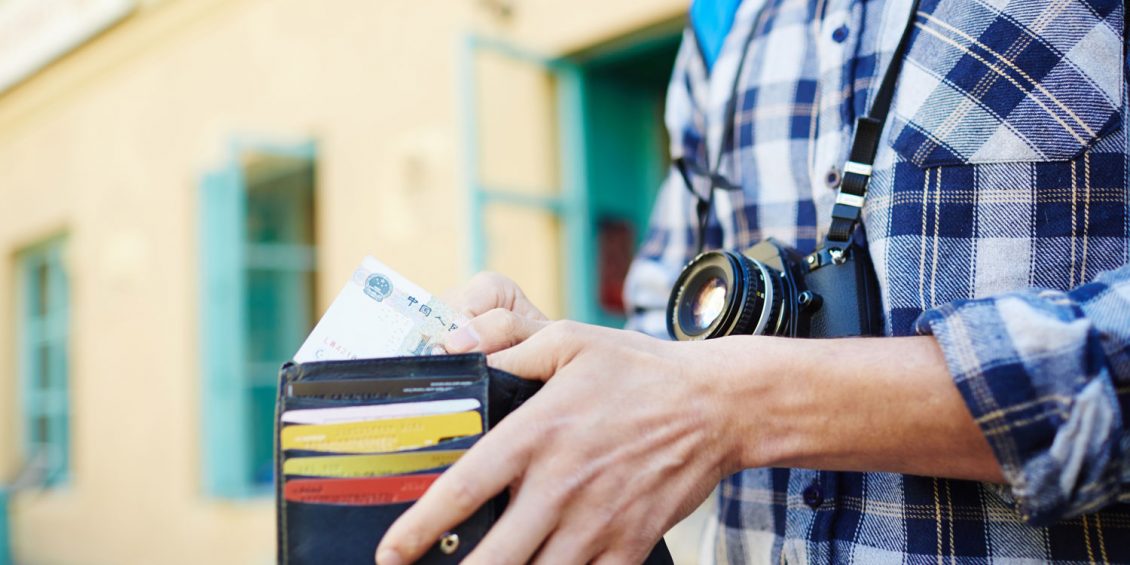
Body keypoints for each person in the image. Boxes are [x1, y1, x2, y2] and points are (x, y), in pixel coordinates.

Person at [376, 0, 1130, 562]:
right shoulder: (722, 23)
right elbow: (668, 317)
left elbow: (703, 390)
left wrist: (737, 403)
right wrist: (563, 376)